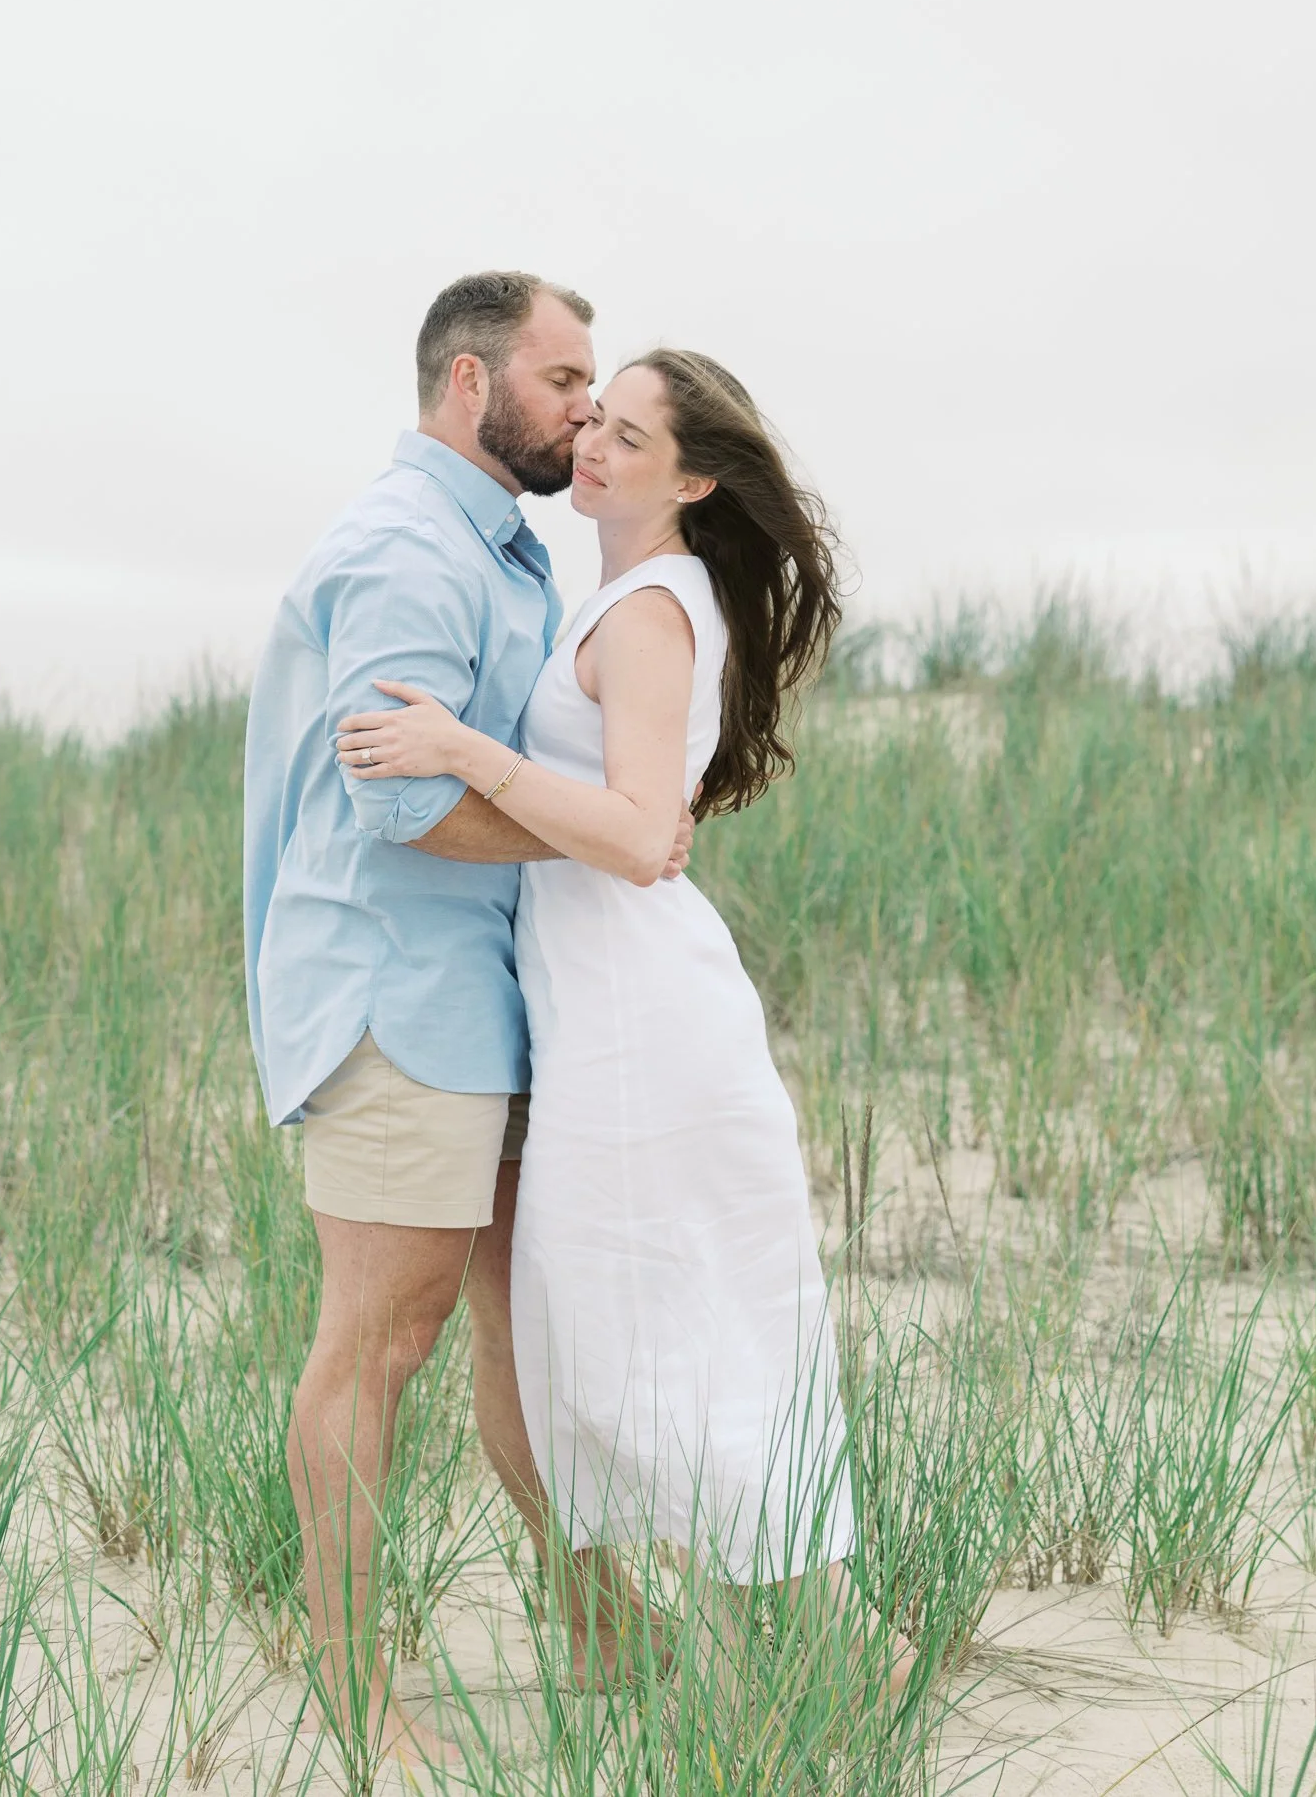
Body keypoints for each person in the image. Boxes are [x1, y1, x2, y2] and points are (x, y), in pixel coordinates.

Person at [340, 349, 909, 1698]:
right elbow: (650, 818)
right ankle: (769, 1657)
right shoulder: (639, 599)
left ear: (694, 478)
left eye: (631, 438)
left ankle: (838, 1663)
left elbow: (642, 833)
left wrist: (465, 751)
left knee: (676, 1320)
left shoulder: (650, 609)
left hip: (645, 1025)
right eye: (594, 420)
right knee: (639, 1319)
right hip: (604, 1009)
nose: (591, 447)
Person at [242, 272, 695, 1775]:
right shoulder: (403, 551)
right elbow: (407, 806)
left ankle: (601, 1628)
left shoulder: (498, 553)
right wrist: (607, 840)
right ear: (464, 384)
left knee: (525, 1324)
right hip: (392, 997)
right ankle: (354, 1692)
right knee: (382, 1338)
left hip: (487, 1003)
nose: (585, 410)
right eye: (564, 381)